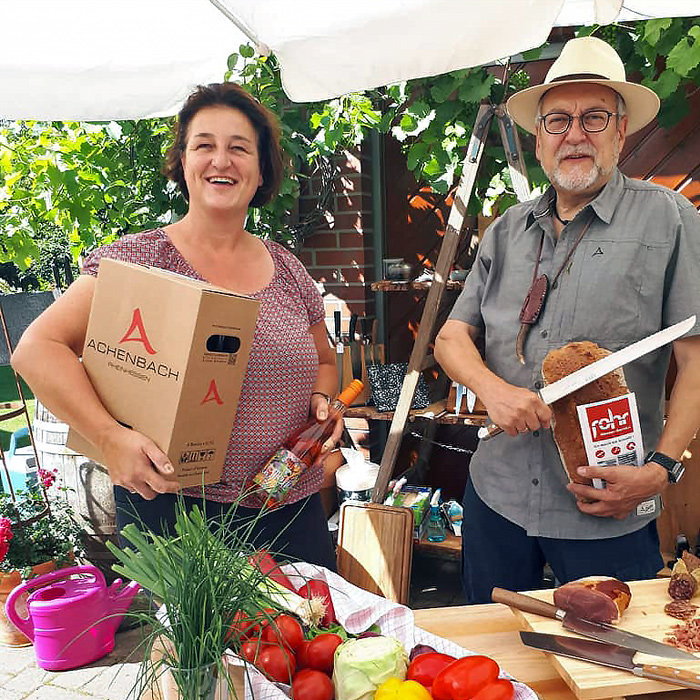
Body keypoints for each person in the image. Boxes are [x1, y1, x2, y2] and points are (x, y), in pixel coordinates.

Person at [11, 82, 340, 569]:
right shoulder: (139, 260)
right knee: (200, 646)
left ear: (261, 169)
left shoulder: (286, 267)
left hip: (289, 509)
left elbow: (327, 361)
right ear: (183, 162)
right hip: (175, 513)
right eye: (204, 145)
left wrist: (325, 401)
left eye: (239, 148)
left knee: (311, 638)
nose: (221, 161)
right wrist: (108, 438)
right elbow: (36, 349)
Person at [434, 37, 700, 603]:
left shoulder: (669, 220)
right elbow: (452, 337)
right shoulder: (506, 229)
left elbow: (694, 356)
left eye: (594, 117)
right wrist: (492, 390)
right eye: (557, 120)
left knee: (616, 670)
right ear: (539, 138)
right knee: (495, 668)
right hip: (499, 497)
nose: (574, 134)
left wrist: (661, 470)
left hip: (608, 504)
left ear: (621, 131)